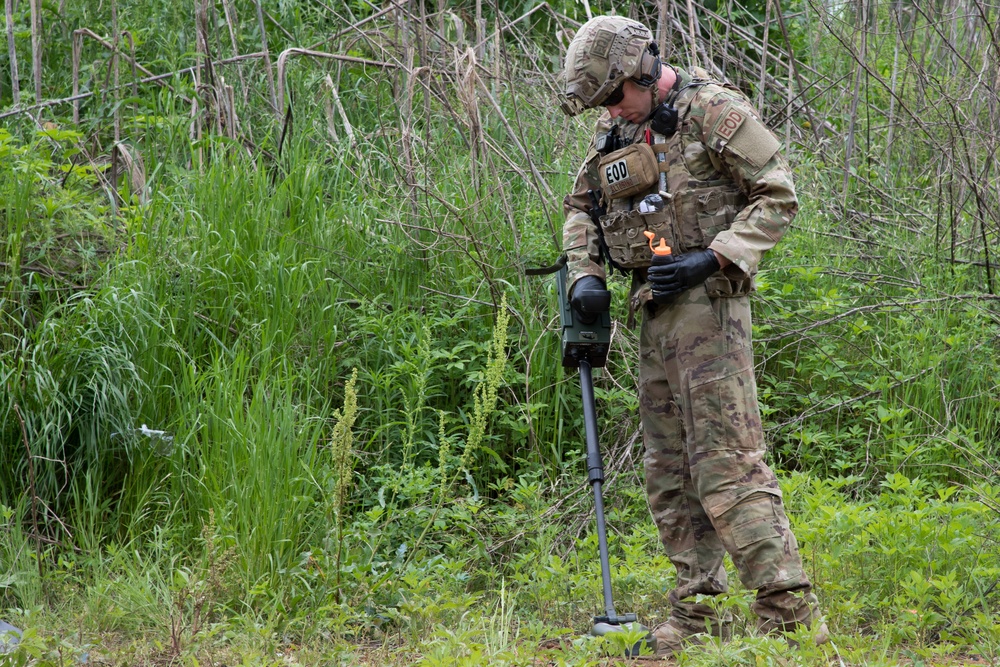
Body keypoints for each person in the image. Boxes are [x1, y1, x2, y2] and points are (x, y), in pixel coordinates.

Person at [559, 15, 828, 656]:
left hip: (711, 307)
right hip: (654, 309)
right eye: (603, 102)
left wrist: (715, 256)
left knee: (727, 463)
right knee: (670, 471)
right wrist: (585, 275)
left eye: (618, 94)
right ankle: (696, 614)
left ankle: (789, 617)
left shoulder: (714, 111)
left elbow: (778, 196)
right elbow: (582, 208)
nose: (613, 110)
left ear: (645, 68)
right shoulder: (616, 129)